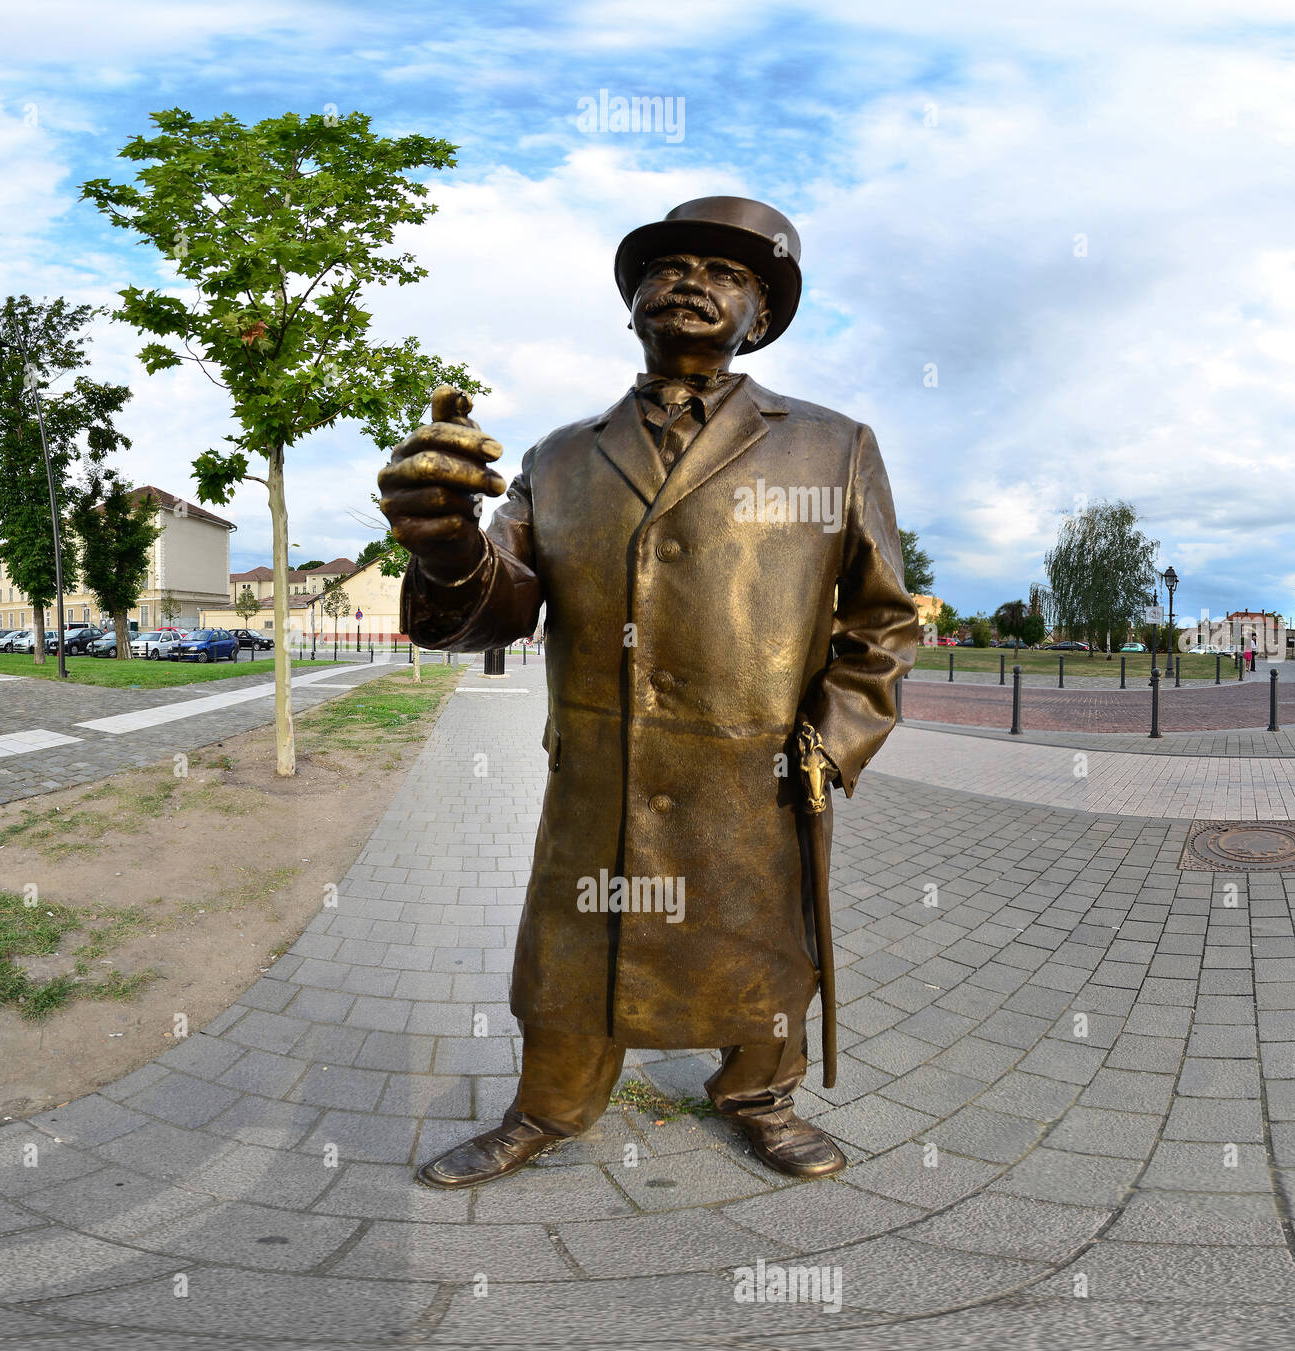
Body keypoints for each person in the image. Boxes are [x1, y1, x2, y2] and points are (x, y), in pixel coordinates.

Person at [379, 197, 917, 1189]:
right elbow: (491, 614)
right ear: (631, 305)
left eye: (727, 274)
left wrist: (831, 743)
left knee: (759, 944)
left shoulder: (830, 446)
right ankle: (547, 1106)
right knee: (576, 953)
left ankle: (759, 1094)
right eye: (668, 267)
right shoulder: (559, 457)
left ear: (762, 317)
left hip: (754, 775)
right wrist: (448, 545)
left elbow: (883, 621)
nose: (693, 281)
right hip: (599, 778)